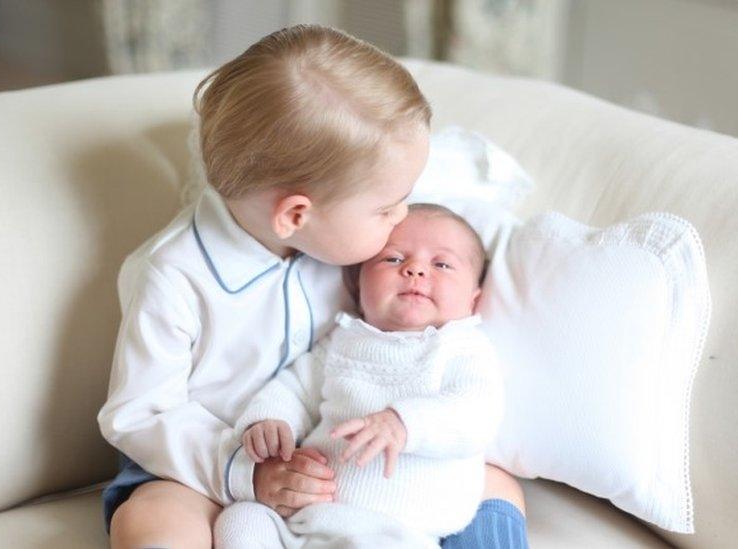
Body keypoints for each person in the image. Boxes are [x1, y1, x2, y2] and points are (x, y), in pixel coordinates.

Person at [98, 24, 526, 549]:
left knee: (497, 483)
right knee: (153, 524)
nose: (402, 216)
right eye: (387, 207)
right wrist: (245, 473)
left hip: (340, 464)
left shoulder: (345, 236)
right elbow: (139, 413)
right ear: (296, 214)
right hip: (202, 467)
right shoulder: (173, 275)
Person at [214, 204, 510, 548]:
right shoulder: (343, 340)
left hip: (395, 534)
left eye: (441, 264)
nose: (415, 270)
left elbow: (477, 414)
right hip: (305, 522)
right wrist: (269, 421)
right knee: (241, 519)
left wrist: (404, 423)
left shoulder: (463, 348)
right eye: (393, 259)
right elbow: (295, 388)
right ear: (358, 285)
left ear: (473, 301)